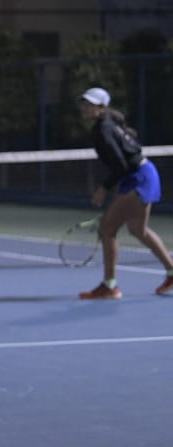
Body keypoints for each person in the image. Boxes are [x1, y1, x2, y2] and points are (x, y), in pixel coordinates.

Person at [76, 86, 173, 299]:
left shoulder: (103, 130)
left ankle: (109, 286)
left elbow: (121, 166)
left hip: (139, 177)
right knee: (138, 229)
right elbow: (124, 163)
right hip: (141, 174)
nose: (85, 108)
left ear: (102, 107)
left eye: (91, 104)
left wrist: (103, 188)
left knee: (108, 228)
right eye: (84, 103)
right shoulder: (108, 125)